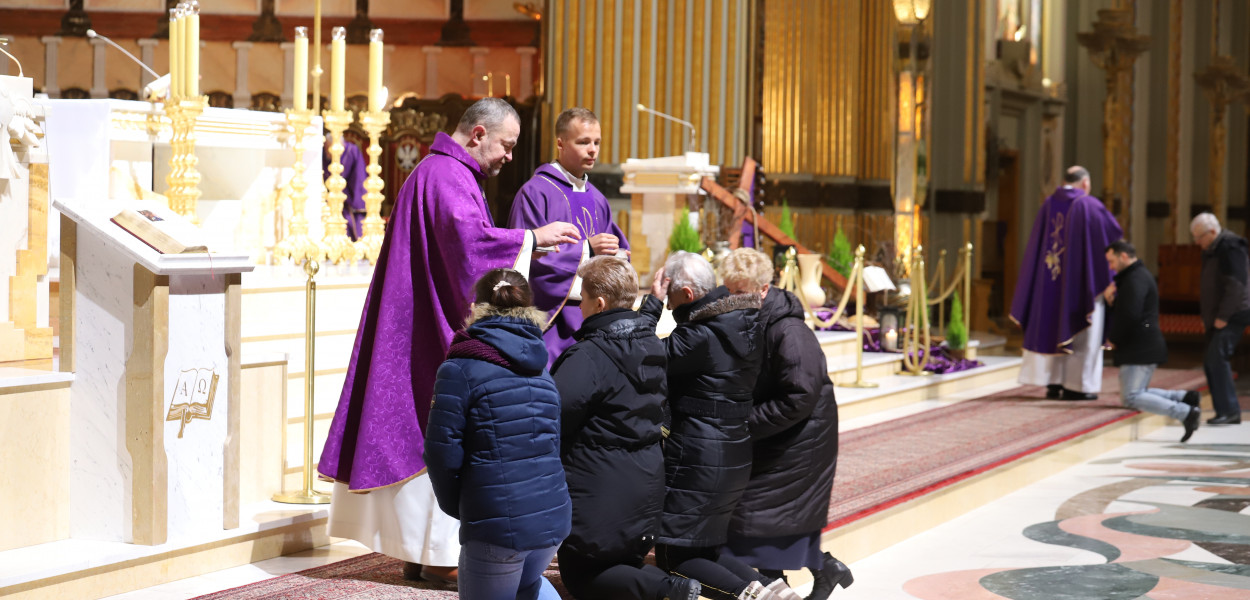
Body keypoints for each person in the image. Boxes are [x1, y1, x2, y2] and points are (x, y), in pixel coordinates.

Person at [317, 98, 581, 585]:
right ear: (478, 133)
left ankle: (424, 553)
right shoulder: (446, 174)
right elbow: (469, 245)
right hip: (432, 324)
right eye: (506, 145)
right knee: (438, 423)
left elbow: (469, 240)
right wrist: (530, 238)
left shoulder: (448, 172)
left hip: (424, 313)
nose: (507, 156)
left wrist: (527, 241)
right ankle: (436, 555)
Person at [641, 252, 798, 600]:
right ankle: (778, 593)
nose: (666, 300)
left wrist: (651, 305)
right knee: (705, 550)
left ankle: (757, 597)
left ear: (687, 294)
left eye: (669, 293)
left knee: (675, 558)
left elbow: (636, 353)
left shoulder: (699, 337)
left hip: (698, 458)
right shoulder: (742, 322)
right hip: (732, 452)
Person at [550, 256, 701, 600]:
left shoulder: (588, 357)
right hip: (645, 481)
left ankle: (670, 589)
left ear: (598, 303)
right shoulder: (651, 343)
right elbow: (632, 331)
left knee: (582, 575)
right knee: (621, 563)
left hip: (600, 485)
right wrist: (653, 302)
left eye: (582, 298)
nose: (580, 305)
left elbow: (553, 415)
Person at [424, 269, 571, 600]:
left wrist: (461, 506)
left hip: (498, 527)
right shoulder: (542, 368)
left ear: (475, 307)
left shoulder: (460, 367)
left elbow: (440, 451)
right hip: (552, 517)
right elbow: (553, 445)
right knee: (529, 586)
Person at [718, 249, 854, 600]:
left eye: (739, 292)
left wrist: (746, 423)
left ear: (763, 289)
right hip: (779, 432)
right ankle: (821, 572)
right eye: (728, 290)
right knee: (763, 521)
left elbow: (800, 395)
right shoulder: (754, 315)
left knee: (753, 518)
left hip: (801, 438)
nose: (730, 299)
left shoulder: (790, 331)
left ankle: (795, 582)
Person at [508, 107, 630, 367]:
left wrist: (617, 255)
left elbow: (615, 248)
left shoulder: (597, 198)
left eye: (597, 142)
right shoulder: (535, 192)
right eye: (583, 142)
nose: (593, 150)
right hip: (552, 326)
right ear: (560, 143)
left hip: (594, 323)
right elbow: (525, 257)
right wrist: (587, 250)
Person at [1011, 166, 1123, 400]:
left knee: (1053, 326)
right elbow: (1114, 236)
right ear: (1085, 183)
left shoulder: (1048, 205)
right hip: (1085, 285)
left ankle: (1053, 383)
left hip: (1050, 284)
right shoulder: (1090, 205)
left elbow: (1035, 248)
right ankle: (1078, 387)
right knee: (1085, 335)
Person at [1103, 240, 1201, 442]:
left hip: (1139, 346)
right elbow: (1129, 311)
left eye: (1112, 261)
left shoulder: (1134, 279)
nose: (1110, 267)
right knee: (1136, 393)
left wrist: (1113, 338)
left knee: (1132, 397)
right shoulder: (1134, 276)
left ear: (1123, 256)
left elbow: (1131, 315)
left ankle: (1184, 412)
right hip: (1142, 344)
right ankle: (1183, 397)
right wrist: (1113, 303)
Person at [1191, 212, 1250, 425]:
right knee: (1210, 361)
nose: (1197, 242)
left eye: (1199, 237)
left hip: (1232, 314)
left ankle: (1230, 411)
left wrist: (1224, 316)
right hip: (1218, 315)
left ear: (1213, 232)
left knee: (1217, 358)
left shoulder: (1230, 247)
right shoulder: (1213, 248)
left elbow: (1236, 285)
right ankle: (1224, 411)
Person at [323, 134, 367, 240]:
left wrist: (354, 200)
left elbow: (358, 177)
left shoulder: (352, 151)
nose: (329, 155)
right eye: (327, 151)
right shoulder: (321, 153)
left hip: (347, 200)